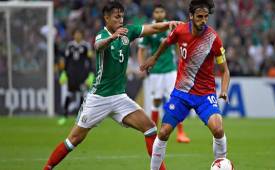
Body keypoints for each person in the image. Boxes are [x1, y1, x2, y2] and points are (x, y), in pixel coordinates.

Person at [43, 1, 182, 169]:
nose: (120, 19)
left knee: (150, 128)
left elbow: (151, 29)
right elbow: (98, 46)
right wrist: (112, 37)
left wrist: (169, 24)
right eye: (117, 17)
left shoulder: (127, 32)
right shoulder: (102, 35)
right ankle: (47, 167)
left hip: (119, 97)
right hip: (98, 97)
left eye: (122, 16)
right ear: (106, 18)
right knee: (74, 140)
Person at [140, 0, 230, 169]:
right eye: (199, 16)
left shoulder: (213, 38)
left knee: (218, 129)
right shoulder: (180, 30)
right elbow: (165, 43)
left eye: (205, 17)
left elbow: (225, 70)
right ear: (191, 16)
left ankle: (221, 164)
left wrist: (224, 90)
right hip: (181, 93)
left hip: (205, 94)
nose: (203, 20)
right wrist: (154, 58)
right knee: (163, 132)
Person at [137, 4, 190, 143]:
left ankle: (181, 133)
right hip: (155, 71)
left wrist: (182, 61)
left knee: (176, 100)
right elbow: (141, 49)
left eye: (161, 11)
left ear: (164, 13)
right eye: (156, 12)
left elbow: (179, 44)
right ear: (153, 14)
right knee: (156, 101)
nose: (159, 14)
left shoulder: (171, 26)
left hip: (170, 69)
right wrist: (142, 66)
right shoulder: (150, 29)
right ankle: (153, 132)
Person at [58, 29, 94, 125]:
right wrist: (64, 73)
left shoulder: (86, 46)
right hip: (71, 74)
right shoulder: (70, 46)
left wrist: (90, 74)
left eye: (79, 34)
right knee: (69, 94)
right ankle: (64, 115)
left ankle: (80, 116)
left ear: (82, 35)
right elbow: (66, 60)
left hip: (82, 75)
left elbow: (90, 61)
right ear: (73, 35)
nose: (77, 36)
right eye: (76, 34)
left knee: (83, 94)